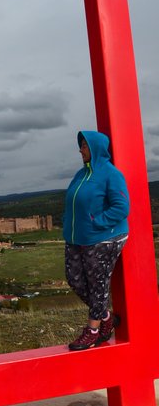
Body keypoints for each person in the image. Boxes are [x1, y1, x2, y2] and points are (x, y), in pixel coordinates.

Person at [63, 130, 129, 350]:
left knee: (97, 283)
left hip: (104, 238)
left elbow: (121, 207)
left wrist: (96, 223)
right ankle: (107, 318)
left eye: (84, 145)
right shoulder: (80, 175)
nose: (80, 150)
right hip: (78, 238)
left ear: (96, 148)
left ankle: (93, 331)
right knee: (74, 279)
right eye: (80, 145)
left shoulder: (111, 174)